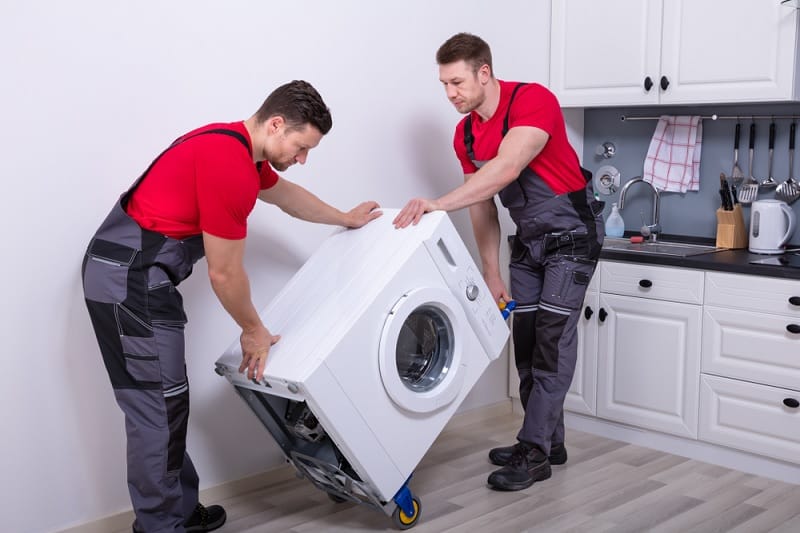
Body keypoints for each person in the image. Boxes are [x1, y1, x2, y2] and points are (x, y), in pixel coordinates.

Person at [82, 80, 381, 532]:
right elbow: (224, 273)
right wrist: (254, 330)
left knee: (166, 401)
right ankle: (161, 526)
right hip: (129, 280)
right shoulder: (230, 166)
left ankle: (176, 511)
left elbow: (287, 198)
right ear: (277, 124)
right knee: (157, 407)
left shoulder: (237, 146)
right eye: (302, 147)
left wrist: (344, 217)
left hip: (136, 275)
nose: (303, 160)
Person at [393, 33, 604, 491]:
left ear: (484, 73)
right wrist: (489, 271)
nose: (450, 93)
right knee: (526, 344)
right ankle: (549, 440)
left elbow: (506, 169)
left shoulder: (533, 100)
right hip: (528, 244)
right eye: (444, 84)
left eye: (456, 82)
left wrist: (436, 204)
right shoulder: (466, 132)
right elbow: (483, 204)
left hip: (570, 237)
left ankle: (534, 453)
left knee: (551, 343)